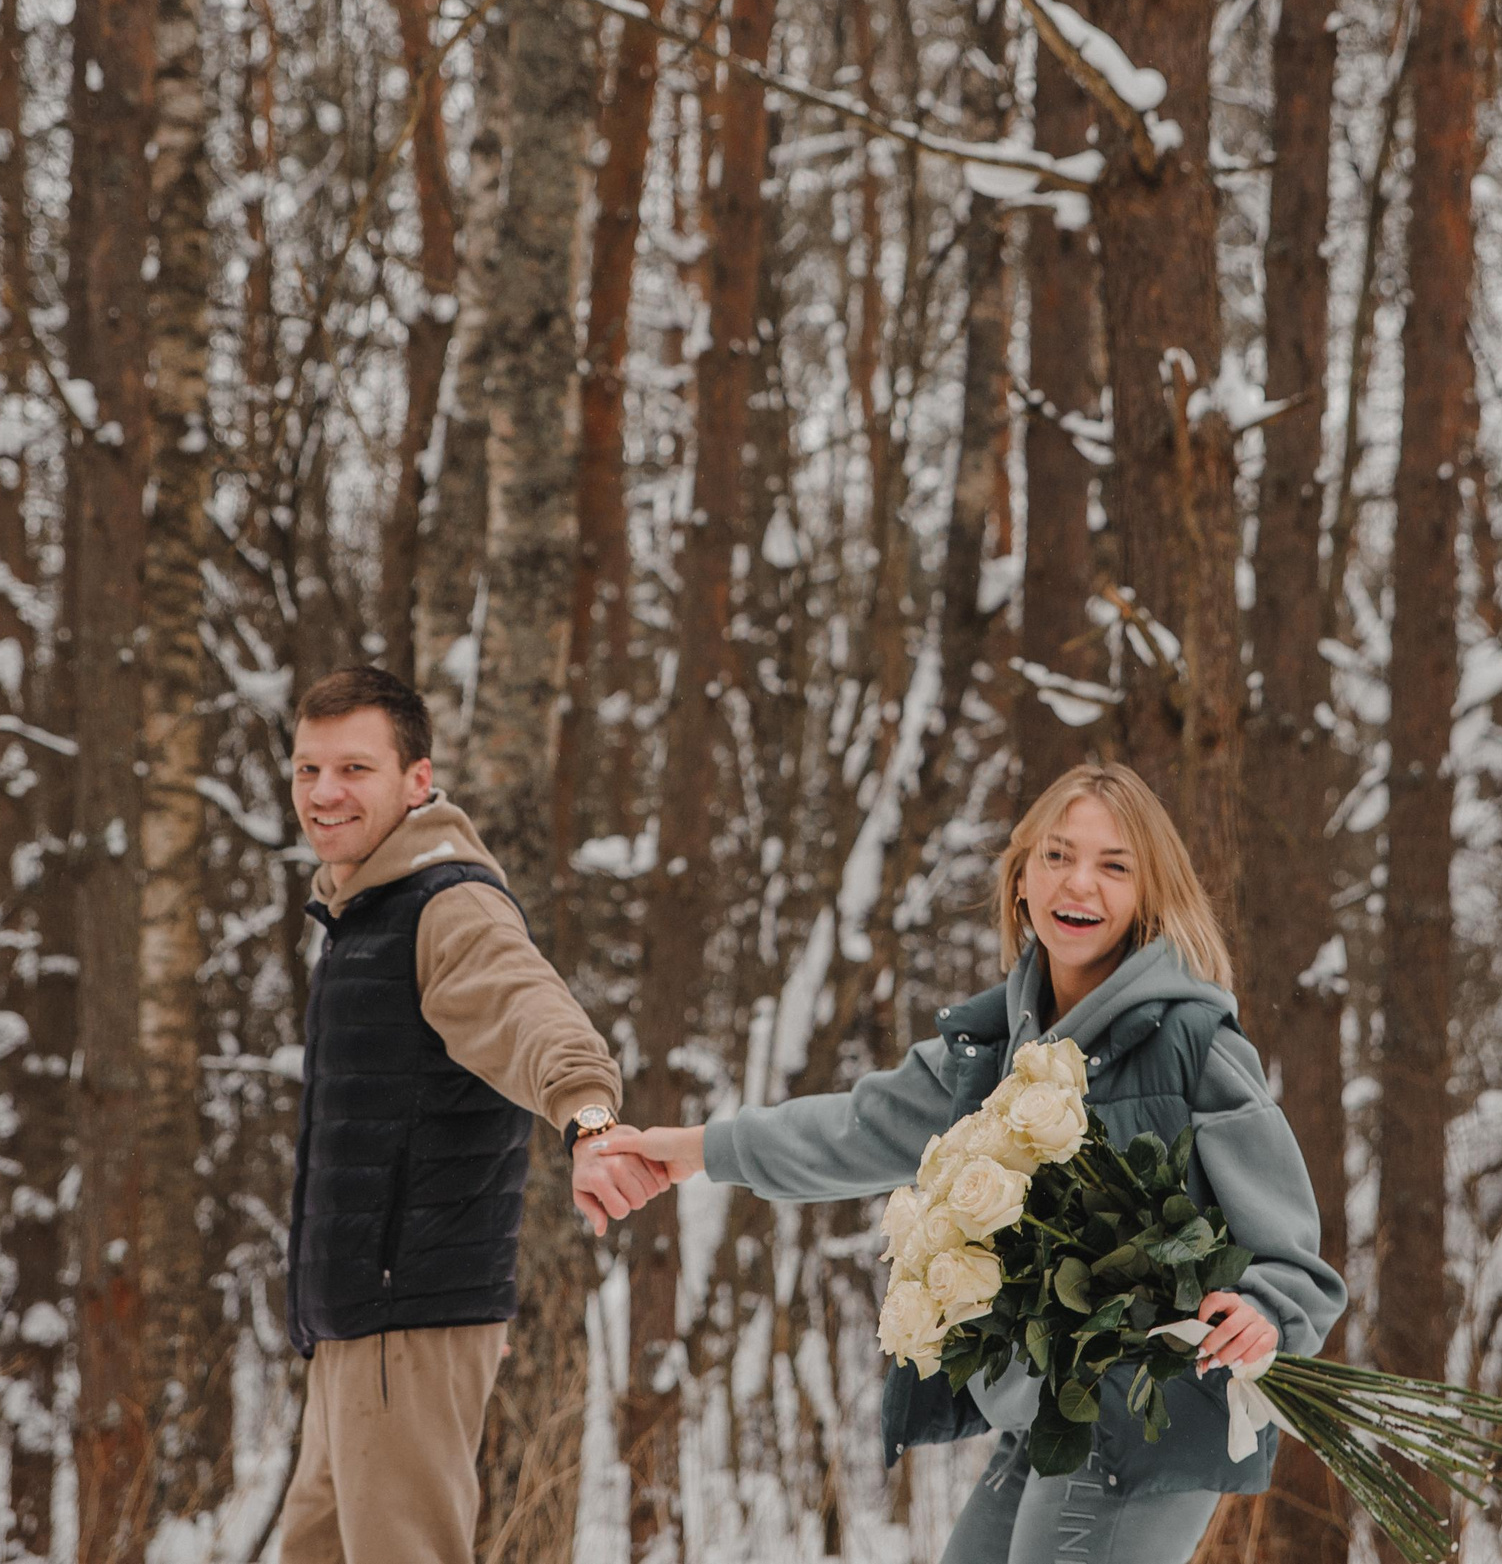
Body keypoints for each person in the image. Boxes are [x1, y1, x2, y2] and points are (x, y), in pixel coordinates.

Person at [599, 763, 1346, 1564]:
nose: (1079, 882)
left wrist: (1268, 1310)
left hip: (1155, 1412)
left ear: (1150, 894)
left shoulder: (1193, 1044)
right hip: (1055, 1414)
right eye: (1057, 856)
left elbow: (1294, 1256)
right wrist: (696, 1151)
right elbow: (855, 1127)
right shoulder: (995, 1051)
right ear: (1021, 877)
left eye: (1114, 864)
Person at [275, 666, 670, 1564]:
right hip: (355, 1323)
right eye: (308, 770)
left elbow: (532, 1008)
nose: (325, 793)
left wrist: (589, 1115)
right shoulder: (365, 912)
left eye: (355, 769)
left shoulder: (446, 906)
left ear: (417, 781)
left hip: (405, 1320)